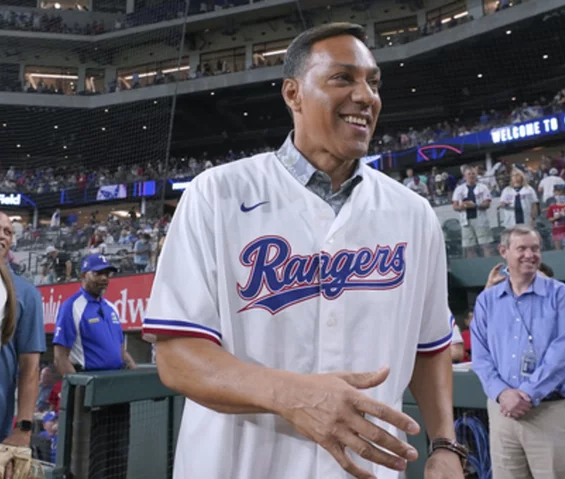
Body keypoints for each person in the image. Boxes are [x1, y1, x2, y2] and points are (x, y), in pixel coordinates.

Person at [142, 23, 464, 479]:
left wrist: (445, 443)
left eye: (373, 82)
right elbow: (177, 357)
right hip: (237, 467)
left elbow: (429, 347)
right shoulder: (216, 194)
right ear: (293, 94)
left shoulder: (413, 214)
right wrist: (293, 395)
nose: (365, 95)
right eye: (343, 78)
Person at [471, 225, 565, 479]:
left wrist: (527, 393)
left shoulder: (561, 295)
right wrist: (502, 394)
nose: (529, 255)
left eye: (534, 249)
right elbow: (480, 356)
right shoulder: (487, 301)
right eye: (521, 248)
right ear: (503, 252)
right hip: (503, 413)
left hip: (551, 411)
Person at [53, 253, 137, 479]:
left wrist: (131, 365)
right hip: (91, 394)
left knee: (119, 456)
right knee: (94, 461)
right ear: (83, 274)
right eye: (98, 273)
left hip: (117, 392)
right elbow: (60, 358)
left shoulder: (111, 307)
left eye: (107, 273)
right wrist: (81, 394)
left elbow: (120, 350)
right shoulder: (72, 306)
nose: (104, 278)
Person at [0, 211, 43, 453]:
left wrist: (24, 428)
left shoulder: (25, 293)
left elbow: (30, 367)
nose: (3, 236)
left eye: (8, 232)